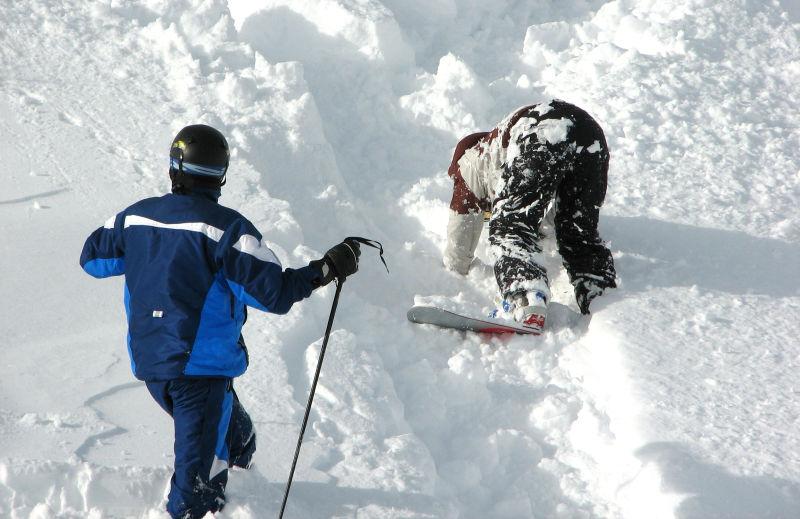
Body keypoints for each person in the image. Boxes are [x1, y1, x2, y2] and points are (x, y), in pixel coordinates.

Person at [79, 124, 361, 518]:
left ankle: (244, 502)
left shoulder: (136, 218)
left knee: (238, 439)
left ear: (173, 169)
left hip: (153, 366)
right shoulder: (228, 231)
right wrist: (325, 269)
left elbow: (92, 258)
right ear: (222, 175)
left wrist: (153, 255)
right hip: (200, 373)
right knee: (195, 495)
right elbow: (275, 293)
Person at [443, 99, 616, 330]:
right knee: (578, 236)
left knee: (510, 227)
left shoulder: (469, 164)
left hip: (545, 131)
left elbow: (460, 230)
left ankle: (526, 297)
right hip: (591, 137)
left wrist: (455, 269)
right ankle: (604, 301)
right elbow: (551, 218)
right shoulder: (502, 151)